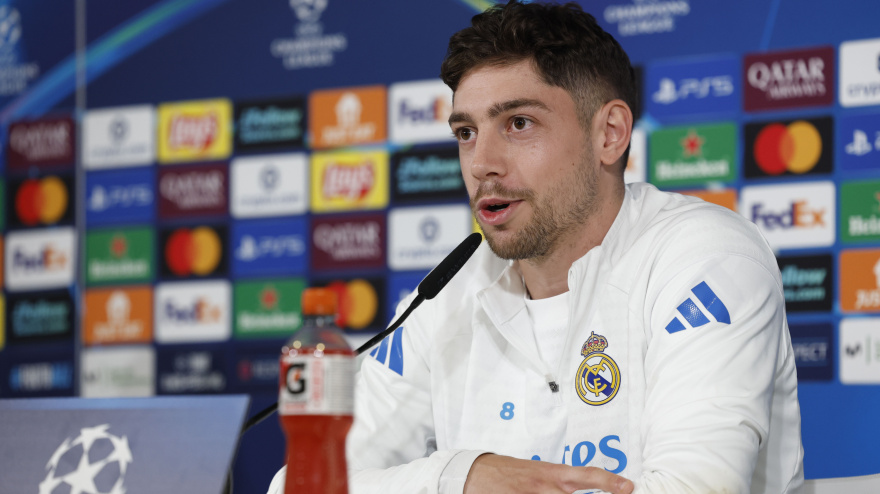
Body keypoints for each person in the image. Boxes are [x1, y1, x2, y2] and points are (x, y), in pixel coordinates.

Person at [269, 2, 804, 493]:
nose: (482, 163)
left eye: (518, 123)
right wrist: (459, 478)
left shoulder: (705, 258)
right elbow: (301, 484)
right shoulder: (447, 297)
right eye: (466, 133)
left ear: (610, 134)